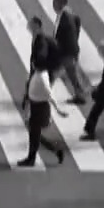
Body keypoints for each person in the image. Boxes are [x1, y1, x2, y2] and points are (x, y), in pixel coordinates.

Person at [18, 19, 69, 167]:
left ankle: (35, 157)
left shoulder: (42, 77)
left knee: (34, 132)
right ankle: (53, 151)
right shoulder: (39, 75)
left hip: (39, 107)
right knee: (34, 132)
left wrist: (58, 110)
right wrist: (26, 97)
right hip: (37, 105)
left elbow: (48, 94)